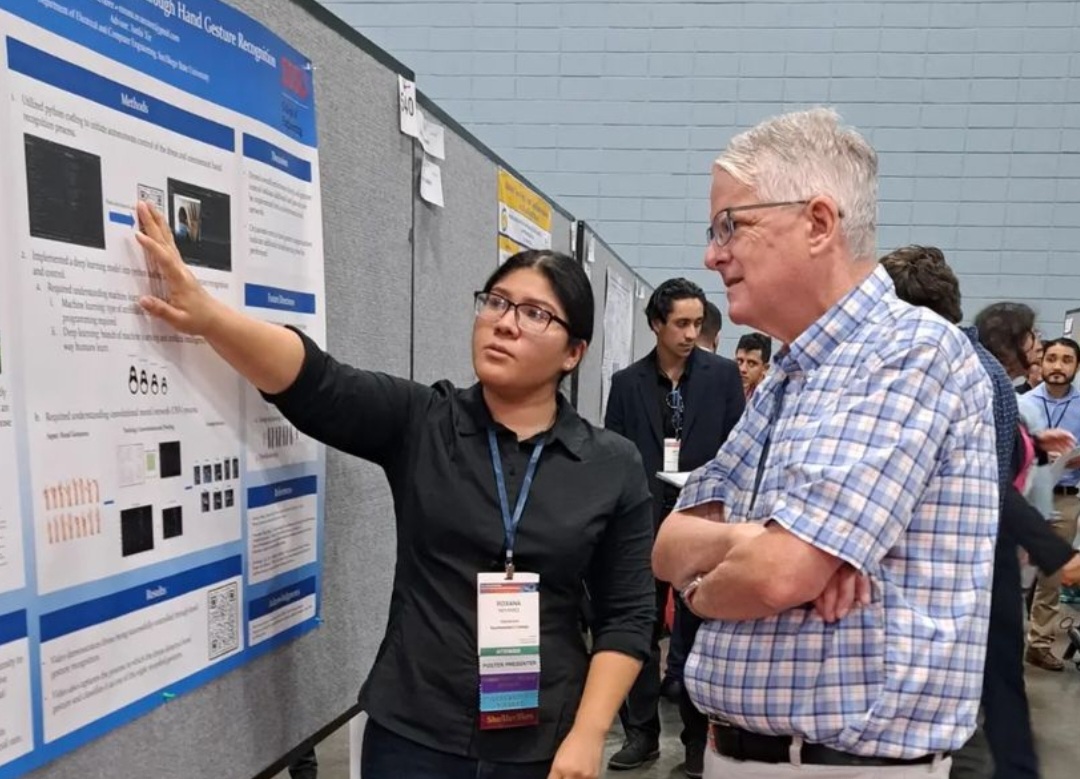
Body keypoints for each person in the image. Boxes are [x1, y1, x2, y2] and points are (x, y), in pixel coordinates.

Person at [132, 201, 655, 779]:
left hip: (541, 743)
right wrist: (208, 316)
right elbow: (316, 382)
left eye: (535, 314)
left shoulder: (612, 464)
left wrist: (588, 735)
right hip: (412, 732)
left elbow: (627, 614)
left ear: (574, 352)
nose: (504, 322)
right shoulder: (422, 422)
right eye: (496, 303)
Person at [652, 108, 999, 779]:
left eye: (732, 225)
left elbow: (776, 574)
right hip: (747, 752)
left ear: (818, 222)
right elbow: (669, 547)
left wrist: (767, 558)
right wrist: (767, 546)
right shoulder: (790, 373)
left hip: (839, 764)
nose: (712, 253)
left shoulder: (908, 353)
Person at [881, 247, 1080, 779]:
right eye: (1035, 342)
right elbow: (985, 469)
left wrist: (1033, 451)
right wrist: (1053, 546)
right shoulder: (980, 373)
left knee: (989, 677)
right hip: (970, 550)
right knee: (991, 677)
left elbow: (982, 466)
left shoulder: (968, 371)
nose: (1041, 353)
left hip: (970, 549)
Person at [604, 278, 743, 778]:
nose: (690, 333)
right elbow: (614, 457)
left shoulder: (724, 377)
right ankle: (640, 732)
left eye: (697, 323)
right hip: (642, 522)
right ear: (655, 325)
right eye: (680, 323)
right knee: (637, 626)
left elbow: (738, 453)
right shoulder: (627, 383)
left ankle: (693, 742)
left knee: (697, 631)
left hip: (702, 522)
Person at [1019, 336, 1080, 671]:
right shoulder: (1023, 402)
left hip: (1066, 498)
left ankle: (1039, 643)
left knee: (1053, 575)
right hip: (1025, 498)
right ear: (1041, 363)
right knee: (1016, 572)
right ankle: (1004, 640)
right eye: (1052, 358)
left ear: (1076, 366)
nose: (1058, 366)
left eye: (1066, 360)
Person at [734, 332, 771, 399]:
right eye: (739, 361)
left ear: (765, 368)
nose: (743, 369)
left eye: (751, 364)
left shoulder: (770, 397)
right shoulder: (727, 386)